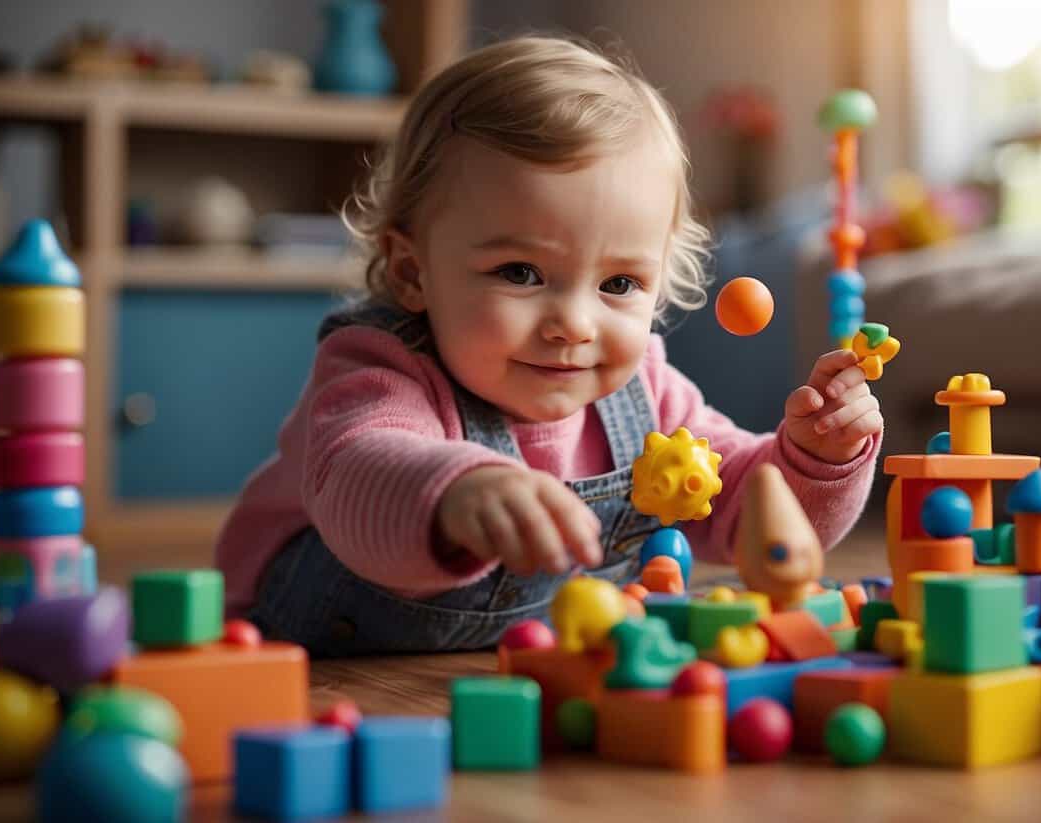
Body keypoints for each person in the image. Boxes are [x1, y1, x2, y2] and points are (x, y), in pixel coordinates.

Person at [215, 36, 883, 655]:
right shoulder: (382, 366)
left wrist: (817, 458)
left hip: (513, 667)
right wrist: (458, 493)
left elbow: (750, 512)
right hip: (311, 650)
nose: (575, 323)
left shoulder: (643, 392)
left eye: (618, 282)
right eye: (521, 273)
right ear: (413, 271)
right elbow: (358, 469)